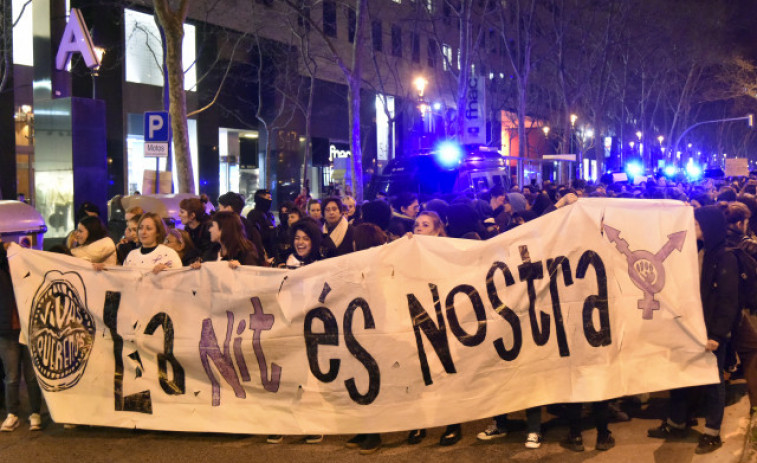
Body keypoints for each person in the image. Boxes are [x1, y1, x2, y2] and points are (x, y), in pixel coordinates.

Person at [647, 205, 740, 454]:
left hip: (710, 333)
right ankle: (677, 423)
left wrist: (717, 336)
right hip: (691, 328)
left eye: (697, 225)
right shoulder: (702, 251)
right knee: (679, 376)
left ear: (708, 227)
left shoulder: (724, 256)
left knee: (713, 381)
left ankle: (712, 433)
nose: (693, 229)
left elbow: (728, 301)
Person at [0, 240, 43, 432]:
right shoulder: (2, 273)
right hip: (6, 330)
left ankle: (35, 412)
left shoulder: (29, 272)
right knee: (12, 376)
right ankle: (12, 414)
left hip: (29, 329)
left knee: (32, 376)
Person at [196, 211, 261, 267]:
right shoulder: (213, 250)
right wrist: (198, 267)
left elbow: (251, 276)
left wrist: (241, 268)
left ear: (223, 229)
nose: (210, 230)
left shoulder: (245, 252)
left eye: (212, 226)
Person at [218, 192, 265, 264]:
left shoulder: (246, 227)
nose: (219, 212)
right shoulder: (250, 225)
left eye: (220, 208)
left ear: (228, 208)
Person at [246, 189, 276, 263]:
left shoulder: (270, 215)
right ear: (260, 199)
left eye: (271, 198)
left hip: (271, 252)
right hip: (260, 254)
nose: (270, 200)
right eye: (268, 198)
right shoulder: (253, 215)